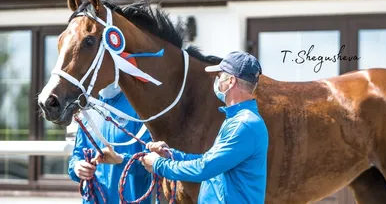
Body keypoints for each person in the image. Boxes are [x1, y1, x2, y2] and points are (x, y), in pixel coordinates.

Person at [93, 51, 269, 203]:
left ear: (231, 81)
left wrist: (159, 164)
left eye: (220, 76)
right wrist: (170, 155)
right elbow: (208, 160)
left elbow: (204, 168)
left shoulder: (243, 124)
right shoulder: (238, 120)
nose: (217, 82)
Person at [68, 82, 152, 204]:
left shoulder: (139, 109)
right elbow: (77, 155)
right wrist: (77, 167)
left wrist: (121, 160)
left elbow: (151, 163)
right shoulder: (87, 112)